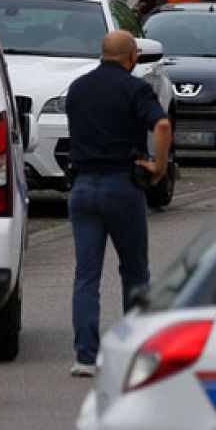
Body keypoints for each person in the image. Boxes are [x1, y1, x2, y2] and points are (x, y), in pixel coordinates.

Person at [66, 30, 172, 377]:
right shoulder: (135, 89)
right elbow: (162, 124)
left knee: (86, 275)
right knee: (135, 270)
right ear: (131, 57)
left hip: (81, 188)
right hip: (121, 187)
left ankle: (85, 356)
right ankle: (131, 352)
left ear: (102, 53)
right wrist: (158, 165)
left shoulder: (77, 88)